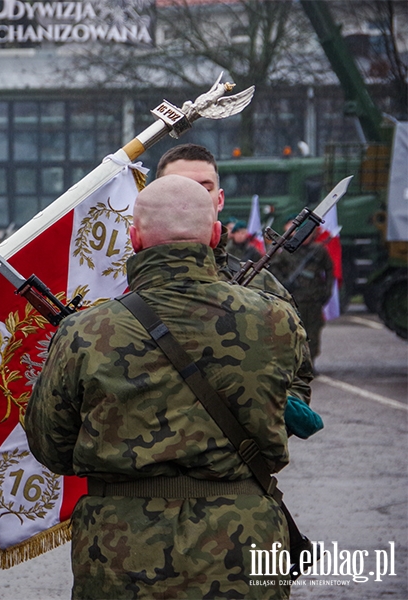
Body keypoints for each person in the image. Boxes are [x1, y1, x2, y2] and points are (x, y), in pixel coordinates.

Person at [26, 174, 307, 599]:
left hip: (120, 555)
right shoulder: (276, 319)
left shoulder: (83, 331)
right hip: (244, 548)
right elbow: (281, 412)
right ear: (215, 235)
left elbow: (50, 447)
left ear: (134, 239)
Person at [156, 144, 321, 437]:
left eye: (204, 188)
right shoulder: (117, 280)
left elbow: (298, 375)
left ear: (219, 199)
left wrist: (267, 413)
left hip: (237, 468)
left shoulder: (263, 285)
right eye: (180, 187)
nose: (193, 198)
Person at [269, 216, 335, 361]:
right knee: (292, 333)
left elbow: (330, 271)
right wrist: (285, 283)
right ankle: (295, 364)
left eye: (309, 235)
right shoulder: (288, 251)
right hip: (293, 300)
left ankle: (310, 363)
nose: (306, 238)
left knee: (312, 333)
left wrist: (327, 292)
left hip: (313, 299)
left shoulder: (319, 251)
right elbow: (273, 268)